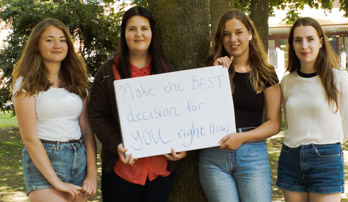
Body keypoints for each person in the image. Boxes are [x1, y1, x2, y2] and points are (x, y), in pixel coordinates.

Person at [88, 6, 186, 202]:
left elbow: (181, 115)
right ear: (124, 34)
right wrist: (117, 144)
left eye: (144, 28)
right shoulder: (108, 72)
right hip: (122, 172)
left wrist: (182, 146)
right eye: (132, 29)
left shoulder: (168, 72)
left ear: (152, 33)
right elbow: (97, 116)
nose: (138, 34)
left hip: (160, 173)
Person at [199, 9, 281, 202]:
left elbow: (274, 123)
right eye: (226, 34)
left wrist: (242, 138)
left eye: (238, 32)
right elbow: (201, 112)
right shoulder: (210, 69)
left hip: (252, 154)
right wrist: (215, 76)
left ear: (250, 34)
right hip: (214, 156)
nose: (233, 39)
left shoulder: (266, 73)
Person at [11, 18, 97, 202]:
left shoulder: (77, 81)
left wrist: (92, 174)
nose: (57, 45)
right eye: (49, 40)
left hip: (78, 158)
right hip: (45, 160)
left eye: (62, 39)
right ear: (37, 46)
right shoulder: (26, 84)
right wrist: (57, 182)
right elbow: (29, 138)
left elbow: (87, 130)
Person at [276, 17, 348, 202]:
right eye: (298, 40)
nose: (304, 45)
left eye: (310, 39)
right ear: (292, 45)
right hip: (291, 158)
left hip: (326, 159)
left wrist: (324, 148)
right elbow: (290, 123)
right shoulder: (287, 82)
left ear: (321, 42)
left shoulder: (337, 78)